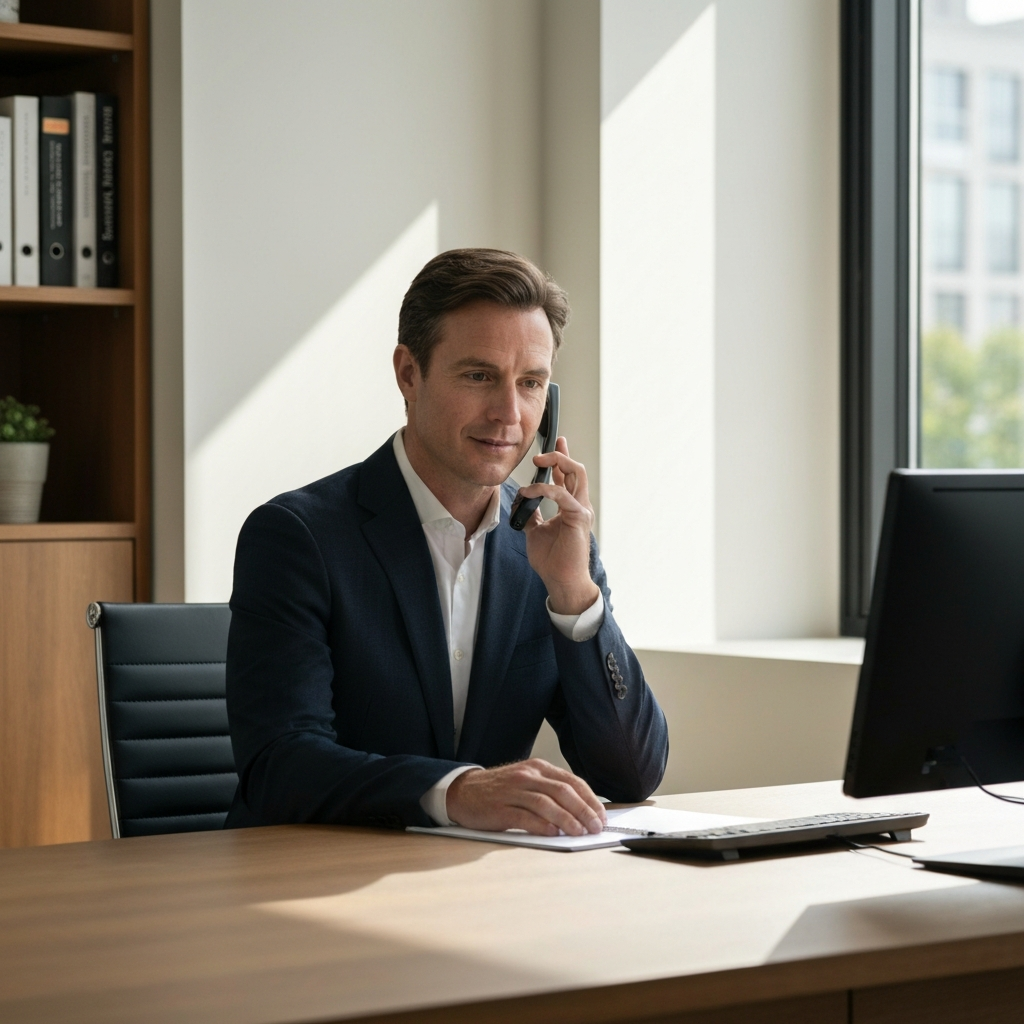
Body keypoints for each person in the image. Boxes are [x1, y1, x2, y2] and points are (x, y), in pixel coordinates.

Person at [225, 249, 668, 836]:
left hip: (473, 893)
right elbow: (279, 765)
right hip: (305, 885)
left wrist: (574, 597)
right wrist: (454, 791)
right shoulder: (297, 537)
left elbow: (632, 775)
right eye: (479, 376)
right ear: (409, 373)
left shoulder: (552, 547)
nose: (510, 413)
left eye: (531, 383)